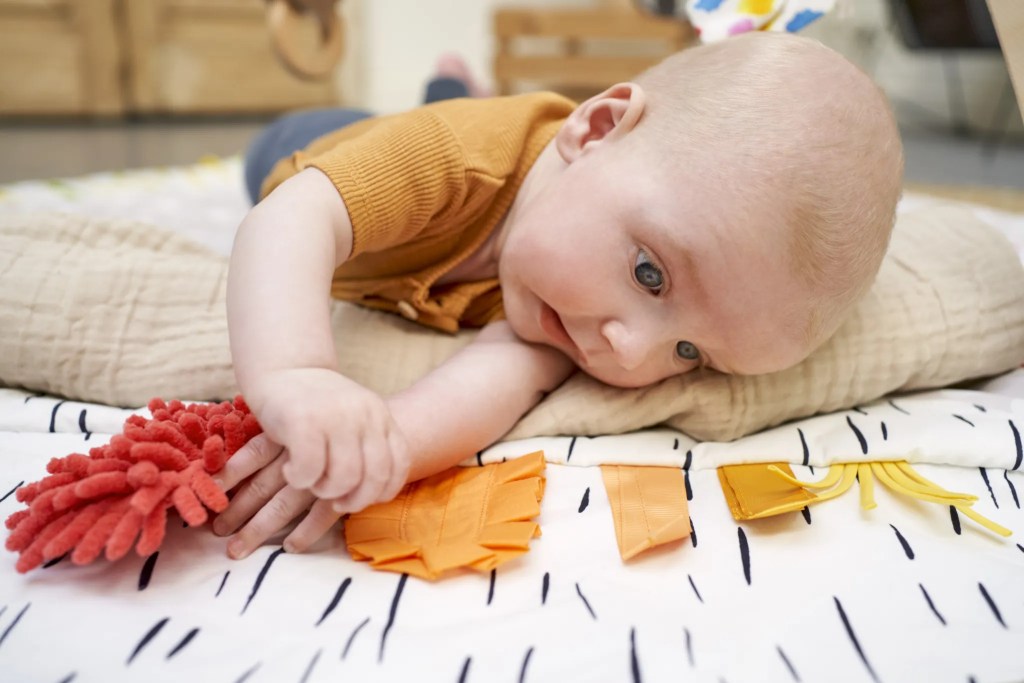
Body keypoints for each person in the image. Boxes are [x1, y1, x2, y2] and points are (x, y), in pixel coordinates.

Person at [211, 32, 904, 560]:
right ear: (596, 130)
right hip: (316, 143)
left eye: (690, 351)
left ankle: (448, 85)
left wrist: (379, 449)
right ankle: (445, 89)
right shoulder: (457, 161)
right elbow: (289, 221)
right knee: (315, 151)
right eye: (652, 274)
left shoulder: (567, 313)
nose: (629, 349)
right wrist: (299, 375)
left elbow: (496, 379)